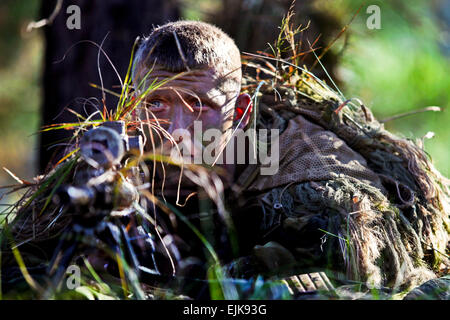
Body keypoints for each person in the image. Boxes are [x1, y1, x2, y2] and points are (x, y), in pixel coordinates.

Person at [130, 19, 449, 297]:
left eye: (199, 106)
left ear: (239, 112)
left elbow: (332, 271)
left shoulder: (310, 176)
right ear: (133, 106)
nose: (177, 130)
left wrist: (178, 286)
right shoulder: (119, 160)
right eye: (157, 103)